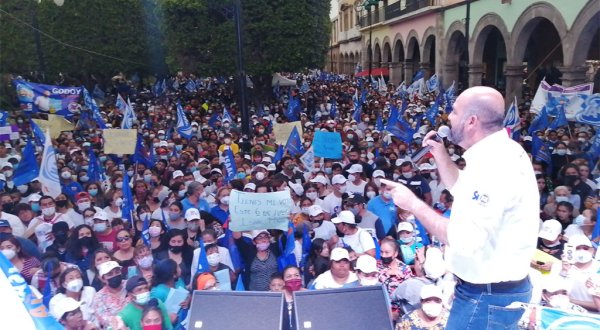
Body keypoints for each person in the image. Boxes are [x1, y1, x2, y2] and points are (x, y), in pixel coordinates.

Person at [387, 86, 539, 329]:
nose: (449, 117)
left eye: (455, 112)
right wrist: (439, 153)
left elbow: (464, 238)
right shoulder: (497, 152)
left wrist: (413, 204)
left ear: (471, 121)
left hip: (488, 295)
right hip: (487, 291)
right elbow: (460, 187)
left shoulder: (495, 164)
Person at [377, 237, 414, 318]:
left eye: (387, 252)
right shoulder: (376, 266)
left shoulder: (404, 269)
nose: (383, 255)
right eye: (381, 252)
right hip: (379, 308)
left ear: (395, 253)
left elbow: (409, 291)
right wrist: (387, 274)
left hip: (400, 311)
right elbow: (373, 285)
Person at [90, 260, 129, 328]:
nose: (115, 276)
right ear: (103, 279)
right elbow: (105, 320)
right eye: (110, 274)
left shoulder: (129, 284)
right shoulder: (99, 297)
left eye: (117, 272)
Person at [281, 265, 304, 330]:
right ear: (283, 281)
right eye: (289, 276)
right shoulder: (277, 297)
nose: (293, 279)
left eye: (296, 275)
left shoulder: (308, 295)